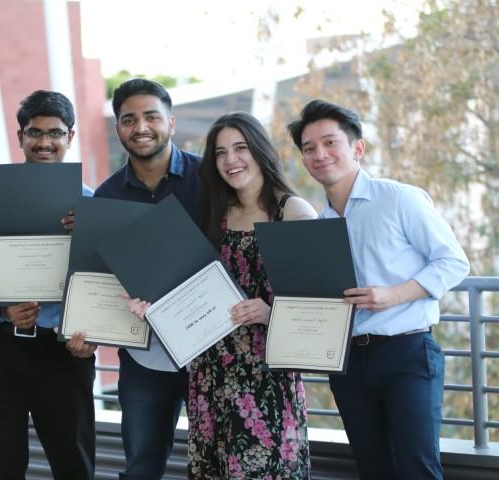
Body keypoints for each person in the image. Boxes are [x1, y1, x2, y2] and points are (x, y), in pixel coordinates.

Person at [287, 99, 470, 479]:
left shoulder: (399, 198)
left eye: (329, 142)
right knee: (372, 469)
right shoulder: (318, 224)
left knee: (417, 468)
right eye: (309, 148)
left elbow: (454, 262)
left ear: (357, 148)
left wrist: (394, 295)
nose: (319, 154)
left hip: (407, 352)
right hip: (348, 362)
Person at [128, 112, 316, 478]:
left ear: (260, 151)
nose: (231, 160)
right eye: (220, 152)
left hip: (266, 377)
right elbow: (186, 287)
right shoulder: (214, 215)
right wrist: (151, 304)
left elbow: (318, 308)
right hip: (210, 373)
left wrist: (269, 311)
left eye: (240, 148)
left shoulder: (293, 212)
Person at [0, 90, 95, 480]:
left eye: (55, 133)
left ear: (71, 137)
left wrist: (84, 237)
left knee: (74, 464)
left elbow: (103, 278)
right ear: (20, 137)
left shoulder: (89, 203)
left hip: (63, 348)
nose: (45, 142)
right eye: (34, 132)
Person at [93, 78, 201, 480]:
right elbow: (101, 279)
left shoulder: (210, 180)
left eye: (152, 116)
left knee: (215, 463)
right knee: (141, 467)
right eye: (129, 119)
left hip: (208, 351)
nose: (141, 127)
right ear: (118, 127)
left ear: (171, 123)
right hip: (144, 356)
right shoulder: (106, 199)